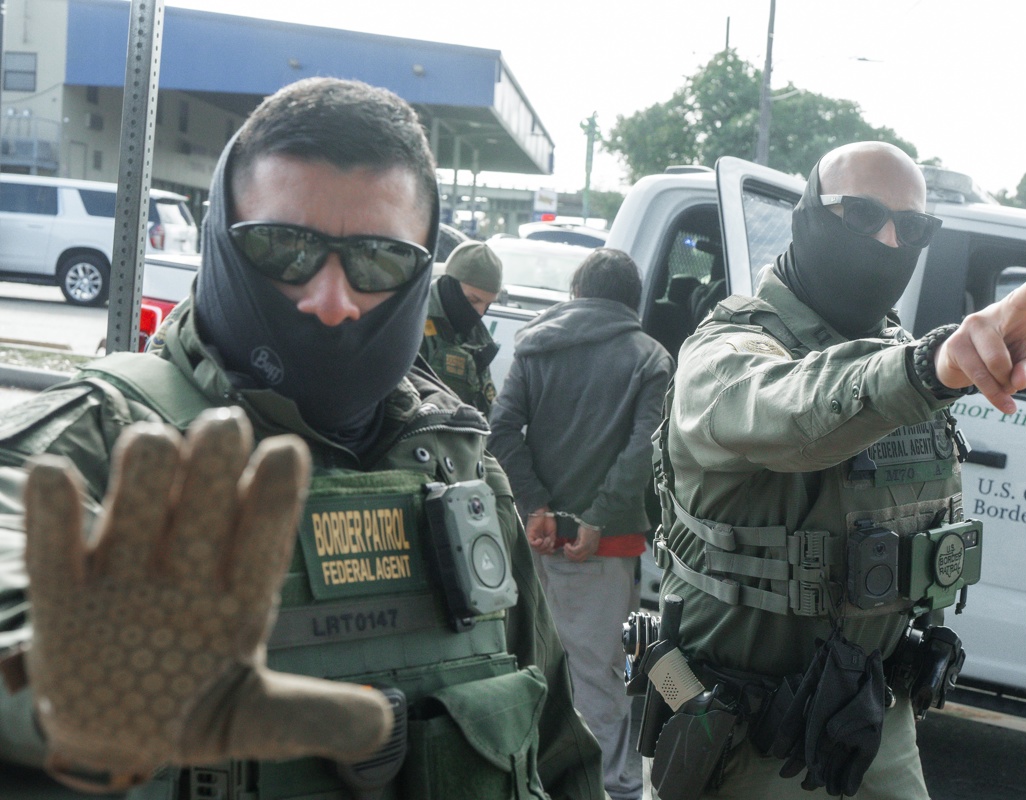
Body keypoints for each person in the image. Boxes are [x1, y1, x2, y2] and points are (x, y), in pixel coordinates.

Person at [0, 77, 602, 800]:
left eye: (379, 260)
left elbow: (561, 755)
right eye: (284, 248)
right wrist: (74, 681)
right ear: (223, 239)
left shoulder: (460, 463)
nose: (330, 299)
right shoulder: (92, 443)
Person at [650, 141, 1026, 799]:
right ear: (806, 217)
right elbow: (791, 409)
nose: (889, 240)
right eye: (859, 215)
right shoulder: (729, 351)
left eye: (911, 229)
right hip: (746, 741)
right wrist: (930, 365)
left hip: (872, 720)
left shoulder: (893, 354)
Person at [488, 248, 673, 800]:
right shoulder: (650, 358)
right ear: (631, 300)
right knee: (596, 675)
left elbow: (501, 433)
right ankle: (612, 790)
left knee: (526, 664)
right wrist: (597, 520)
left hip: (532, 542)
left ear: (577, 293)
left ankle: (531, 780)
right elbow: (644, 451)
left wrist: (536, 507)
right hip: (602, 548)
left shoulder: (534, 346)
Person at [420, 241, 503, 415]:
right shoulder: (414, 321)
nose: (480, 312)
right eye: (474, 300)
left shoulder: (477, 338)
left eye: (488, 304)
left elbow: (485, 403)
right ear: (451, 286)